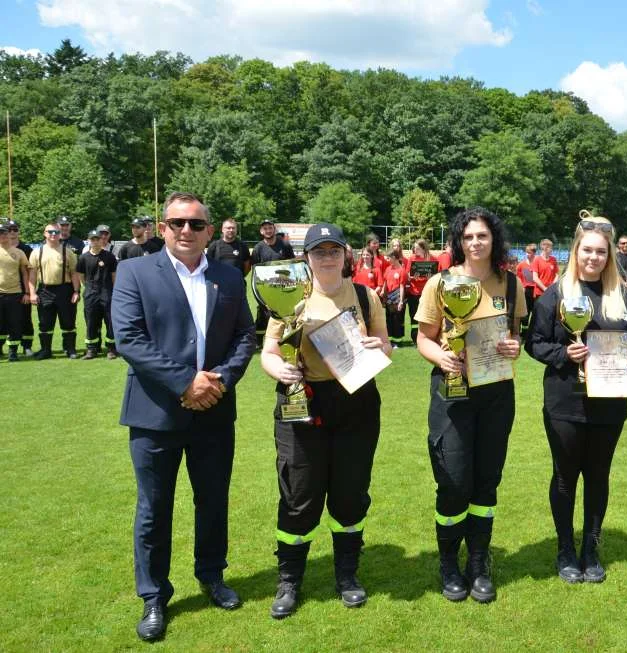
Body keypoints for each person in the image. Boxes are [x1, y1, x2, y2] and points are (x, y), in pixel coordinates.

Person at [111, 192, 255, 641]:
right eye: (177, 223)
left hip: (214, 411)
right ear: (163, 227)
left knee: (213, 501)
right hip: (155, 414)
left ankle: (211, 575)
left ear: (211, 231)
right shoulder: (134, 271)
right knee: (154, 508)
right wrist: (185, 383)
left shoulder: (230, 277)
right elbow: (130, 338)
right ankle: (154, 596)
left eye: (196, 224)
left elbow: (245, 337)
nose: (186, 231)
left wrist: (220, 382)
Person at [260, 222, 391, 617]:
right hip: (302, 402)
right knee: (299, 498)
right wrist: (278, 370)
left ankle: (347, 575)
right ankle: (289, 581)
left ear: (345, 254)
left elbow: (385, 345)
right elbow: (268, 351)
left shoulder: (366, 296)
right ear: (307, 257)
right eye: (319, 251)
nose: (328, 257)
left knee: (350, 495)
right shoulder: (291, 297)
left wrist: (377, 346)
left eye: (334, 250)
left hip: (356, 403)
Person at [525, 213, 627, 583]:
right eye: (586, 250)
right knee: (565, 477)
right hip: (565, 401)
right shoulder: (557, 293)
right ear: (575, 252)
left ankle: (591, 549)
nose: (593, 257)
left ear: (609, 254)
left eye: (600, 251)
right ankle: (565, 549)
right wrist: (565, 356)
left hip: (609, 401)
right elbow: (534, 342)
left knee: (598, 476)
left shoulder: (624, 295)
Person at [415, 207, 526, 604]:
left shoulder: (511, 285)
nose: (476, 243)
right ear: (458, 242)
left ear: (494, 239)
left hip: (496, 393)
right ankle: (449, 563)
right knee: (453, 480)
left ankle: (479, 562)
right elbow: (424, 338)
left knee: (485, 480)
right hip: (452, 392)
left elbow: (513, 337)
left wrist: (515, 347)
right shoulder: (440, 283)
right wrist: (440, 356)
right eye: (468, 237)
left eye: (482, 236)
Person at [27, 221, 81, 359]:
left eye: (56, 232)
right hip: (45, 290)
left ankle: (70, 349)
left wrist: (76, 291)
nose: (53, 235)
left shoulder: (68, 252)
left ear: (60, 234)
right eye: (50, 232)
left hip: (65, 290)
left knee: (68, 321)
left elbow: (74, 273)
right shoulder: (36, 252)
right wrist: (32, 293)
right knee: (45, 323)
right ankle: (46, 350)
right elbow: (32, 276)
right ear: (45, 234)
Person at [251, 219, 296, 344]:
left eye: (270, 228)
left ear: (274, 229)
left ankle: (285, 339)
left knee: (284, 313)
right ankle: (259, 341)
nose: (268, 230)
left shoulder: (285, 245)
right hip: (266, 288)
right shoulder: (258, 248)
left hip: (283, 287)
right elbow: (255, 270)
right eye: (265, 228)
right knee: (263, 314)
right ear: (261, 231)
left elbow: (292, 265)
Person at [76, 229, 118, 359]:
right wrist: (88, 288)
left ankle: (111, 349)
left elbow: (113, 276)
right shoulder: (83, 257)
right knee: (91, 322)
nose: (95, 241)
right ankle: (92, 349)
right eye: (92, 239)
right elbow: (81, 276)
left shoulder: (109, 256)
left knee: (110, 321)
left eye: (97, 239)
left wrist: (112, 291)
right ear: (88, 241)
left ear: (102, 240)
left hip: (107, 292)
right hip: (91, 293)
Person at [4, 220, 35, 355]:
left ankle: (27, 347)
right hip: (4, 291)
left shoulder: (26, 249)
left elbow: (29, 272)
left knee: (25, 318)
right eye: (9, 229)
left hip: (22, 291)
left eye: (15, 229)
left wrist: (28, 292)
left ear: (18, 231)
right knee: (5, 320)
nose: (12, 232)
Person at [0, 222, 29, 361]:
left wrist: (27, 293)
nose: (3, 236)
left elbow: (25, 273)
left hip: (15, 293)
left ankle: (13, 352)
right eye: (1, 233)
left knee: (15, 323)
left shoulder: (18, 252)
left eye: (5, 233)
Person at [403, 239, 436, 345]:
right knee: (414, 316)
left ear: (423, 248)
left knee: (427, 316)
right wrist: (412, 276)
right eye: (414, 248)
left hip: (427, 292)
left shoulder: (432, 259)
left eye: (417, 248)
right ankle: (415, 339)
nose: (414, 250)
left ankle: (428, 338)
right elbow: (407, 275)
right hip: (413, 292)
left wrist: (431, 277)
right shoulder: (412, 258)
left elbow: (437, 275)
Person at [383, 250, 407, 346]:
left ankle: (398, 341)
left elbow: (402, 286)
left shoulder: (402, 271)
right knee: (389, 320)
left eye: (388, 258)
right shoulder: (388, 269)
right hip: (389, 299)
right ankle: (390, 340)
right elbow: (385, 282)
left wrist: (401, 301)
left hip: (397, 298)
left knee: (398, 320)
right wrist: (383, 293)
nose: (387, 260)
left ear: (394, 257)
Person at [516, 243, 538, 335]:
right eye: (526, 252)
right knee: (525, 312)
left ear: (534, 253)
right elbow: (518, 277)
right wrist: (522, 287)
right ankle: (524, 333)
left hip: (536, 290)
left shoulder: (537, 263)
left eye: (529, 253)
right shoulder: (521, 265)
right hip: (526, 290)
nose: (527, 254)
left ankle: (534, 332)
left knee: (536, 312)